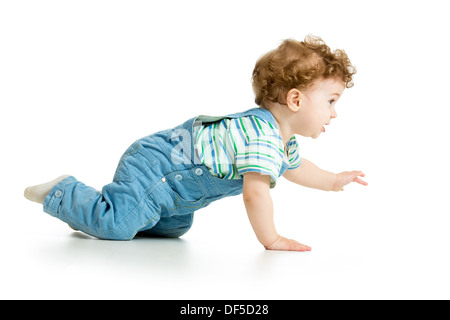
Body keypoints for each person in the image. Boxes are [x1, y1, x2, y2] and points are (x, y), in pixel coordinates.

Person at [24, 35, 367, 251]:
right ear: (295, 100)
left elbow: (297, 168)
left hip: (177, 195)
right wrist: (271, 238)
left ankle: (93, 213)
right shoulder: (261, 136)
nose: (334, 113)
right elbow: (255, 192)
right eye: (331, 101)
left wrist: (334, 180)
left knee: (175, 228)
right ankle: (66, 193)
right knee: (119, 225)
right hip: (157, 168)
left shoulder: (282, 142)